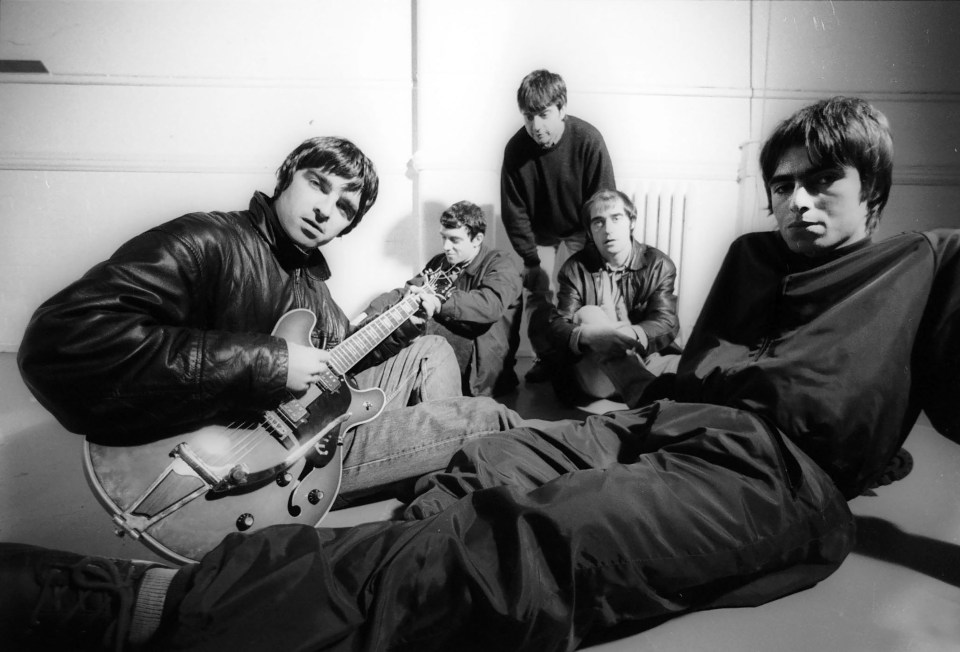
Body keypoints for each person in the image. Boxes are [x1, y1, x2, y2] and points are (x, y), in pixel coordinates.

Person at [5, 97, 960, 652]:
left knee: (535, 535)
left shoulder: (926, 260)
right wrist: (272, 365)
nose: (792, 201)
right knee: (484, 465)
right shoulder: (754, 258)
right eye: (781, 182)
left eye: (818, 185)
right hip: (658, 423)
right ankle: (376, 590)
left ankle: (167, 609)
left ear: (870, 189)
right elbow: (703, 367)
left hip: (757, 474)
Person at [15, 136, 522, 504]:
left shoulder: (314, 291)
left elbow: (338, 360)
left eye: (344, 207)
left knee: (428, 348)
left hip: (310, 427)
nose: (325, 210)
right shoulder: (209, 240)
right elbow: (61, 343)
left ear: (348, 226)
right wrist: (271, 363)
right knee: (487, 419)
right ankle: (451, 483)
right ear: (286, 177)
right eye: (318, 185)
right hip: (250, 465)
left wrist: (399, 327)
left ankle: (435, 471)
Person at [501, 69, 616, 383]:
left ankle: (595, 363)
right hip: (541, 231)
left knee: (591, 291)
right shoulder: (515, 150)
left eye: (543, 114)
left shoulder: (589, 140)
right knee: (539, 294)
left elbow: (603, 201)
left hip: (583, 228)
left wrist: (595, 250)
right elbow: (515, 212)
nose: (536, 127)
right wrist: (531, 259)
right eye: (528, 117)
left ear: (562, 109)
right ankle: (547, 359)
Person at [364, 200, 523, 397]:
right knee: (395, 317)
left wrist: (438, 301)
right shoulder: (442, 262)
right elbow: (412, 289)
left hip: (481, 366)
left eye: (454, 240)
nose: (446, 247)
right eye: (443, 238)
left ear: (477, 239)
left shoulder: (501, 264)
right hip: (454, 350)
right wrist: (370, 314)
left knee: (419, 331)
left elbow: (489, 305)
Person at [547, 188, 682, 406]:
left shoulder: (659, 265)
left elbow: (665, 321)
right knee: (588, 313)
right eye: (598, 222)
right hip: (596, 372)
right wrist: (590, 335)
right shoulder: (574, 269)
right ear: (590, 232)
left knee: (699, 367)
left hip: (646, 360)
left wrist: (630, 334)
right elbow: (557, 325)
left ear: (631, 221)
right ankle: (642, 392)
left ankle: (640, 382)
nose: (607, 229)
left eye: (616, 218)